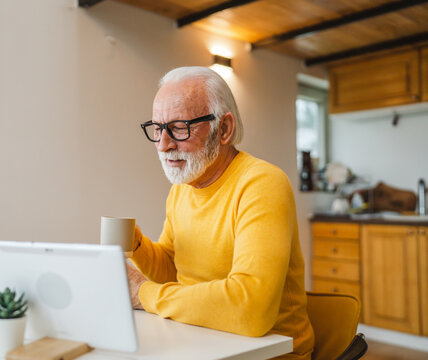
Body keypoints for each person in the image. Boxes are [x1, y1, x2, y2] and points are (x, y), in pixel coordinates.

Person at [127, 66, 314, 359]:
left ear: (224, 129)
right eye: (158, 128)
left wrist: (142, 294)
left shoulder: (262, 184)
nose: (163, 145)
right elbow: (173, 271)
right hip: (201, 339)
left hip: (270, 352)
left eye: (178, 127)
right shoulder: (183, 187)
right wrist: (134, 243)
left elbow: (250, 308)